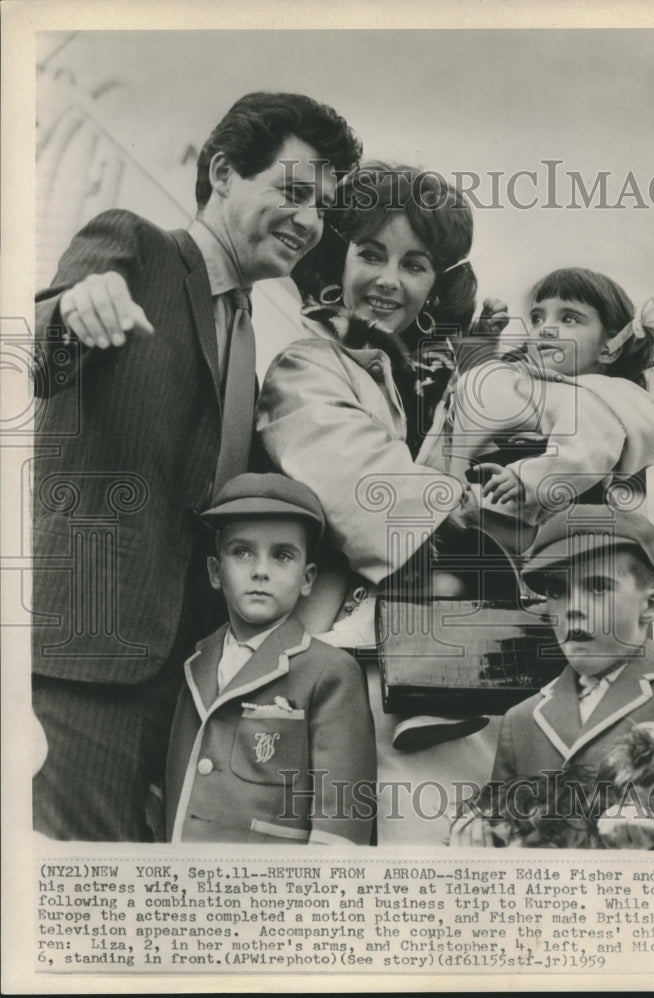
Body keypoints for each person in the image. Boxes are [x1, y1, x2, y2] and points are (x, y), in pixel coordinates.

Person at [32, 91, 361, 841]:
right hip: (85, 654)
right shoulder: (135, 247)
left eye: (323, 207)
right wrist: (77, 305)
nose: (311, 222)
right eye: (294, 191)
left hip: (183, 677)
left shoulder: (249, 334)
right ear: (221, 172)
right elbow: (37, 352)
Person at [256, 163, 512, 842]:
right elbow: (380, 502)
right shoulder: (308, 365)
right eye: (370, 254)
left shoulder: (404, 377)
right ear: (336, 257)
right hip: (358, 665)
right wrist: (462, 506)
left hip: (423, 659)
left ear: (437, 284)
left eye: (414, 265)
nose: (387, 280)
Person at [165, 473, 376, 844]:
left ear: (308, 578)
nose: (260, 570)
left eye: (282, 555)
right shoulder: (195, 662)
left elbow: (342, 824)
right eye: (242, 552)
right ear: (216, 572)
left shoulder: (330, 672)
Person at [490, 505, 654, 784]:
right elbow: (498, 825)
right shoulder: (521, 721)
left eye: (598, 587)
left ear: (650, 606)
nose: (573, 608)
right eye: (557, 592)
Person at [449, 267, 654, 523]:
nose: (545, 328)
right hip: (490, 508)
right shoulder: (529, 380)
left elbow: (585, 452)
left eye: (568, 319)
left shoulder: (595, 398)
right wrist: (483, 341)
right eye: (537, 318)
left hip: (540, 527)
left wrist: (525, 477)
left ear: (608, 349)